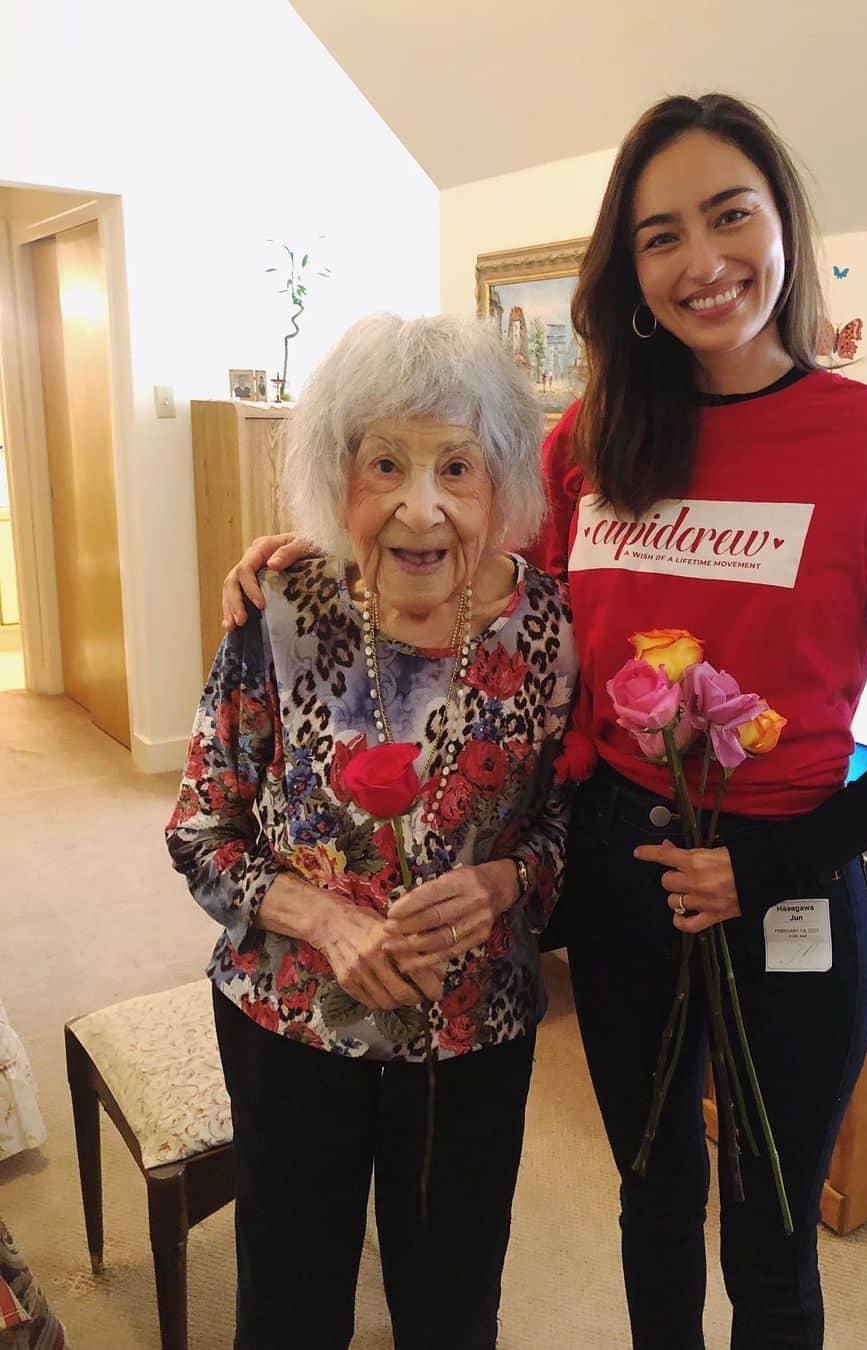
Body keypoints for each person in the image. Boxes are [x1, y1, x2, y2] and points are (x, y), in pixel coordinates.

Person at [220, 95, 867, 1349]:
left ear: (783, 227)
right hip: (615, 875)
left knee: (770, 1236)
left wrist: (765, 861)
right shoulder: (591, 446)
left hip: (791, 883)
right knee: (651, 1194)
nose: (702, 261)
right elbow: (469, 568)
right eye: (662, 236)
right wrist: (311, 559)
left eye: (730, 216)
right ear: (631, 272)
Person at [168, 313, 577, 1350]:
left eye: (457, 466)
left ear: (505, 485)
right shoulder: (279, 610)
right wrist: (328, 923)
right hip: (292, 1023)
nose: (421, 504)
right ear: (332, 477)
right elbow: (201, 829)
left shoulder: (551, 631)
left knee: (450, 1308)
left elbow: (564, 821)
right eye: (383, 462)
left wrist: (502, 885)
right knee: (292, 1304)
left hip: (472, 1030)